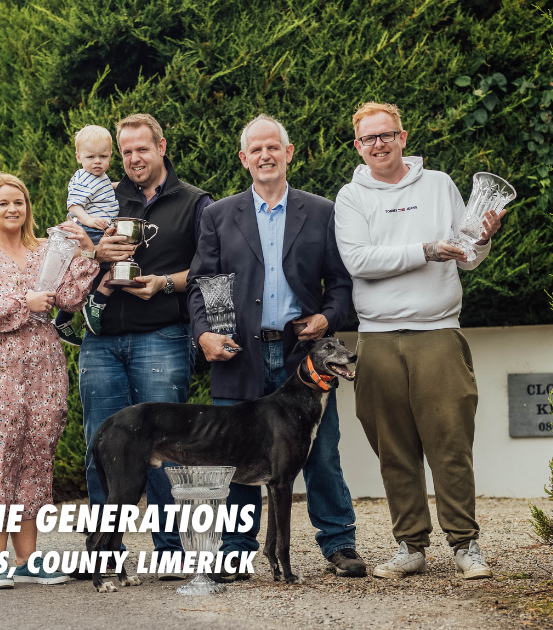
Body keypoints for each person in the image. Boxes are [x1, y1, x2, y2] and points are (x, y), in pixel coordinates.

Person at [187, 114, 365, 580]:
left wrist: (328, 317)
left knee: (322, 452)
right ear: (244, 159)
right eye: (256, 150)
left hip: (301, 359)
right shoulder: (218, 215)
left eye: (274, 147)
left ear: (289, 153)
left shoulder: (321, 211)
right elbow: (201, 284)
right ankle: (236, 553)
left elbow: (342, 285)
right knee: (233, 455)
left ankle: (338, 544)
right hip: (238, 353)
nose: (265, 155)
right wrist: (204, 334)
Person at [333, 102, 506, 580]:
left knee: (451, 443)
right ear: (358, 147)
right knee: (394, 448)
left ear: (403, 137)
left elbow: (467, 255)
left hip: (438, 333)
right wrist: (426, 250)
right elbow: (359, 261)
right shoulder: (351, 197)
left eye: (386, 135)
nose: (379, 144)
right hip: (379, 338)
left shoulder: (439, 184)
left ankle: (465, 546)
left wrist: (484, 239)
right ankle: (411, 546)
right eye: (369, 139)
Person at [0, 172, 100, 588]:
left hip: (42, 368)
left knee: (36, 457)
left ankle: (28, 559)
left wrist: (86, 254)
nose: (12, 209)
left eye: (19, 201)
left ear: (27, 207)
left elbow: (69, 299)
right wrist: (24, 302)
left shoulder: (44, 251)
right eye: (3, 203)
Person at [78, 114, 213, 561]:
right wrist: (96, 252)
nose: (134, 158)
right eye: (127, 151)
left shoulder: (195, 202)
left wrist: (163, 283)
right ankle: (103, 550)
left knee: (166, 449)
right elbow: (71, 260)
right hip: (102, 342)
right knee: (101, 443)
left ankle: (170, 550)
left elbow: (209, 270)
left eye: (142, 149)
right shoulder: (105, 197)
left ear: (162, 146)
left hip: (163, 337)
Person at [52, 124, 120, 346]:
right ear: (78, 157)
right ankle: (95, 302)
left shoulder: (97, 177)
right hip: (90, 230)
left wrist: (119, 186)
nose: (97, 161)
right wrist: (89, 221)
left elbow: (102, 190)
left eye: (103, 156)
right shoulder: (82, 177)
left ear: (111, 155)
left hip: (99, 229)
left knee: (90, 275)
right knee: (112, 266)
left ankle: (64, 319)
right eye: (91, 156)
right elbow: (73, 205)